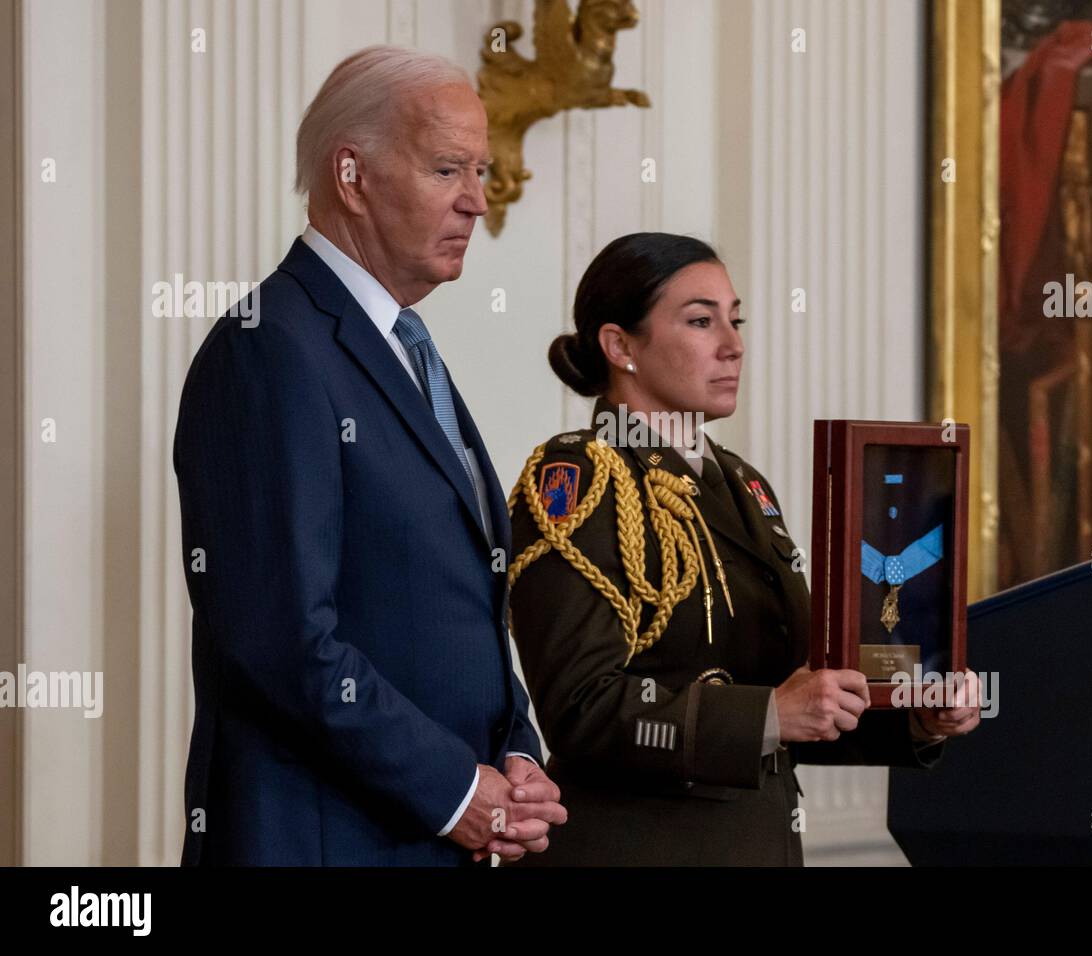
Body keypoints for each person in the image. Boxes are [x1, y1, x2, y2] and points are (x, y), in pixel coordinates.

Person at [173, 46, 564, 866]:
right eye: (447, 170)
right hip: (325, 838)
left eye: (483, 172)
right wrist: (455, 790)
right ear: (351, 176)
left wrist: (516, 753)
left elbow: (455, 611)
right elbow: (282, 638)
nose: (476, 201)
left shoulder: (404, 348)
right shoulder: (270, 349)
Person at [506, 232, 980, 866]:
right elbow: (580, 711)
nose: (734, 346)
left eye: (736, 321)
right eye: (701, 322)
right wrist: (770, 716)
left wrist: (917, 715)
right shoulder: (581, 477)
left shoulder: (742, 483)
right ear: (620, 346)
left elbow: (798, 696)